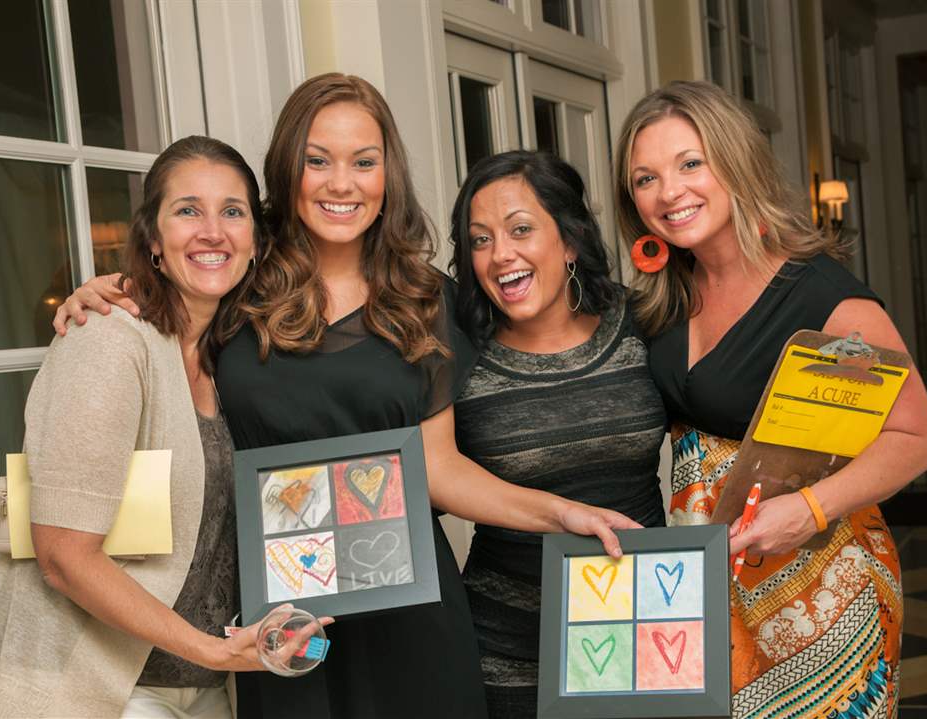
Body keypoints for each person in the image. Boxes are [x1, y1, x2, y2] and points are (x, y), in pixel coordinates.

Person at [51, 73, 639, 719]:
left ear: (388, 176)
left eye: (364, 162)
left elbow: (438, 467)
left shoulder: (425, 299)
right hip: (284, 625)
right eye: (318, 161)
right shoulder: (237, 285)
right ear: (289, 169)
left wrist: (560, 514)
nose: (342, 183)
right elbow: (168, 296)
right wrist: (110, 290)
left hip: (410, 613)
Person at [0, 136, 331, 719]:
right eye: (188, 210)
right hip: (105, 689)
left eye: (232, 211)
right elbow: (63, 557)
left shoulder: (233, 356)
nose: (212, 232)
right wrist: (213, 650)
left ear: (255, 242)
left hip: (208, 685)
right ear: (153, 239)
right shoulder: (109, 340)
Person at [614, 81, 927, 717]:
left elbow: (919, 437)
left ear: (736, 161)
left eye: (690, 163)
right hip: (708, 576)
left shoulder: (818, 294)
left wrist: (808, 510)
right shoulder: (662, 298)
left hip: (820, 583)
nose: (669, 192)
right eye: (645, 178)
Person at [449, 151, 668, 717]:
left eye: (520, 229)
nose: (501, 254)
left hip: (648, 628)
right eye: (480, 240)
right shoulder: (457, 355)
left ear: (570, 241)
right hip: (509, 649)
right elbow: (433, 473)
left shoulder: (640, 321)